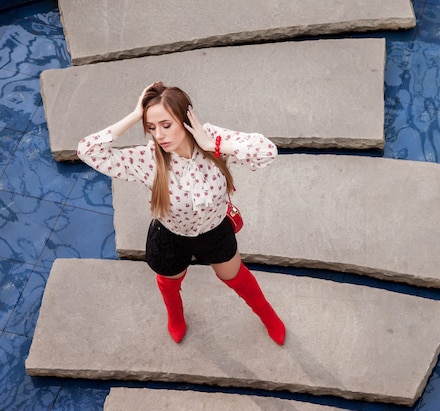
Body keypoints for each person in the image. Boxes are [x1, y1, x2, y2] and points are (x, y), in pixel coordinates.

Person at [77, 81, 285, 345]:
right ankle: (175, 315)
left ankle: (266, 313)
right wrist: (134, 115)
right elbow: (87, 150)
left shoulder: (210, 139)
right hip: (170, 236)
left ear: (185, 119)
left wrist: (214, 145)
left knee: (235, 277)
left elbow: (267, 152)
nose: (159, 135)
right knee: (170, 281)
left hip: (215, 231)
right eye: (151, 127)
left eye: (166, 125)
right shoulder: (147, 159)